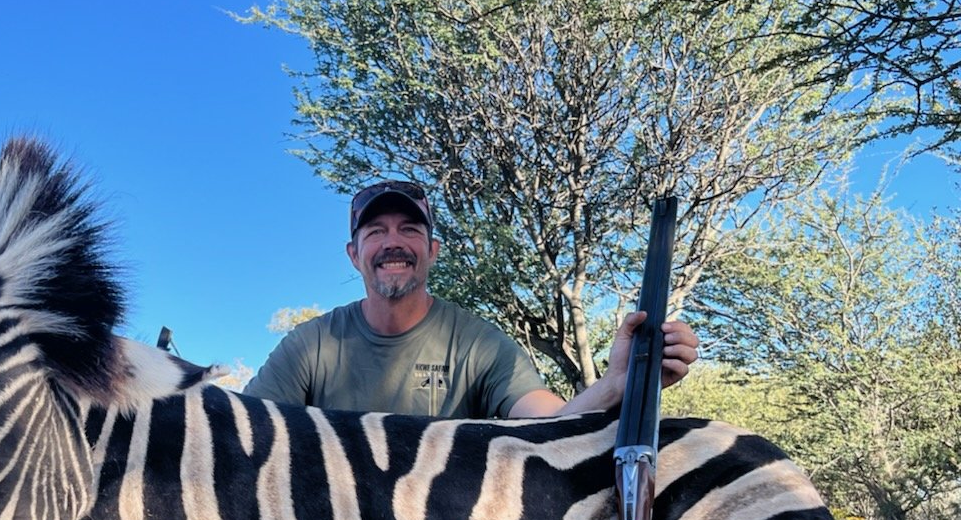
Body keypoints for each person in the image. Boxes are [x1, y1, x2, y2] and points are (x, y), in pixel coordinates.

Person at [244, 180, 699, 418]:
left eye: (410, 230)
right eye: (376, 232)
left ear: (433, 251)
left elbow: (549, 422)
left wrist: (618, 384)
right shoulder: (310, 345)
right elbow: (241, 429)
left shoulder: (476, 343)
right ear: (353, 255)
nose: (393, 243)